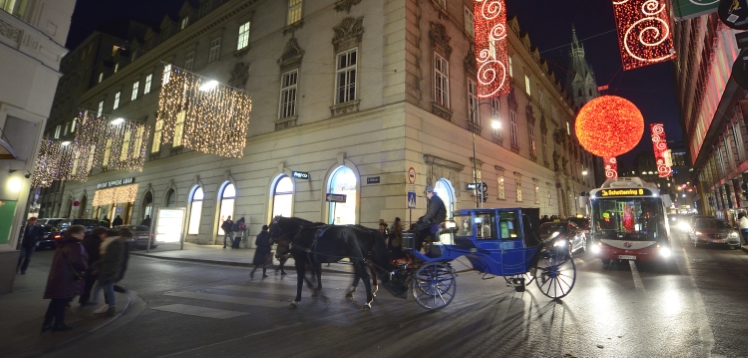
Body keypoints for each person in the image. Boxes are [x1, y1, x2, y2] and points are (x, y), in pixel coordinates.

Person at [42, 225, 88, 332]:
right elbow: (77, 260)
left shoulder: (63, 243)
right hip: (68, 277)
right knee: (62, 301)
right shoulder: (75, 245)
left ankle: (47, 323)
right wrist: (85, 268)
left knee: (56, 300)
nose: (83, 235)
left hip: (59, 275)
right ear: (75, 233)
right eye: (82, 232)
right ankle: (59, 323)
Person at [90, 229, 126, 317]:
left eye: (104, 234)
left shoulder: (115, 244)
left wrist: (96, 264)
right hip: (107, 269)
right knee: (104, 287)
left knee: (107, 288)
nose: (103, 236)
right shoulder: (111, 243)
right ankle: (98, 302)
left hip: (109, 270)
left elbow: (110, 258)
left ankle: (111, 307)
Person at [78, 227, 108, 306]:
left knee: (85, 283)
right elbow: (95, 256)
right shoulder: (97, 242)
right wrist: (95, 267)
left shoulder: (87, 239)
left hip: (85, 264)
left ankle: (78, 299)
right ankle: (84, 300)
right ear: (101, 234)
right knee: (89, 284)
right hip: (92, 266)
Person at [415, 185, 447, 251]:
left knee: (419, 229)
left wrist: (423, 220)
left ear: (430, 192)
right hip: (435, 220)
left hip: (436, 221)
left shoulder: (435, 200)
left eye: (427, 193)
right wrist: (422, 218)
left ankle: (417, 249)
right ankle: (419, 247)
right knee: (420, 225)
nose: (426, 195)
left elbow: (431, 213)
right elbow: (429, 213)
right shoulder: (434, 199)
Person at [113, 228, 132, 293]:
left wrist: (120, 275)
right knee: (108, 285)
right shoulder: (125, 242)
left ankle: (125, 292)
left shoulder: (123, 243)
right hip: (117, 268)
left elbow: (123, 259)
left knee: (108, 285)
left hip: (116, 268)